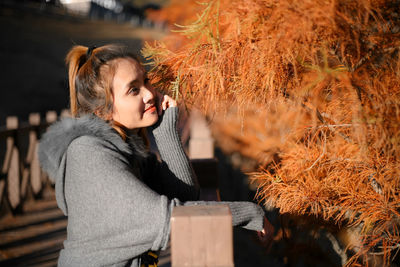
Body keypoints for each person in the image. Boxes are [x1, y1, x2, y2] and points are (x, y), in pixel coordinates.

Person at [38, 44, 274, 267]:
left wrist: (165, 130)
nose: (150, 94)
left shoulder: (130, 151)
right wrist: (246, 214)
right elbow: (167, 217)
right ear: (104, 110)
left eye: (146, 81)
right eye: (134, 89)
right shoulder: (88, 155)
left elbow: (185, 193)